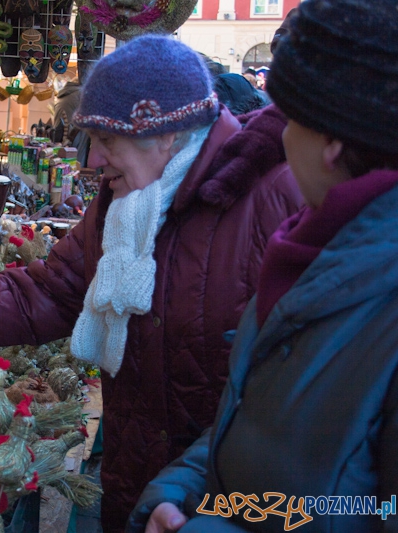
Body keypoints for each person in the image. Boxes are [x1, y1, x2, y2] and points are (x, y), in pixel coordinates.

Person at [0, 35, 302, 532]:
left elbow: (306, 405)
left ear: (169, 134)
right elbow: (41, 294)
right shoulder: (122, 208)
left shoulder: (276, 201)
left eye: (108, 141)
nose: (92, 161)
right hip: (135, 492)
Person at [130, 1, 398, 532]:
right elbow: (256, 427)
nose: (280, 135)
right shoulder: (308, 249)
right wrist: (183, 492)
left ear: (332, 141)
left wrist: (209, 526)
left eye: (291, 118)